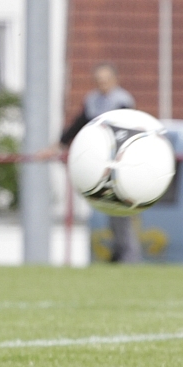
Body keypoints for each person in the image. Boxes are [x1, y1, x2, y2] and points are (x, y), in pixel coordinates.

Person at [45, 62, 142, 263]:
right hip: (102, 165)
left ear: (115, 80)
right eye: (99, 81)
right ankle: (118, 253)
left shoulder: (122, 101)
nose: (102, 84)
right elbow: (79, 123)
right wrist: (59, 144)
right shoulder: (93, 100)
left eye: (105, 80)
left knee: (122, 210)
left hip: (120, 166)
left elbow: (125, 131)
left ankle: (129, 256)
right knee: (110, 208)